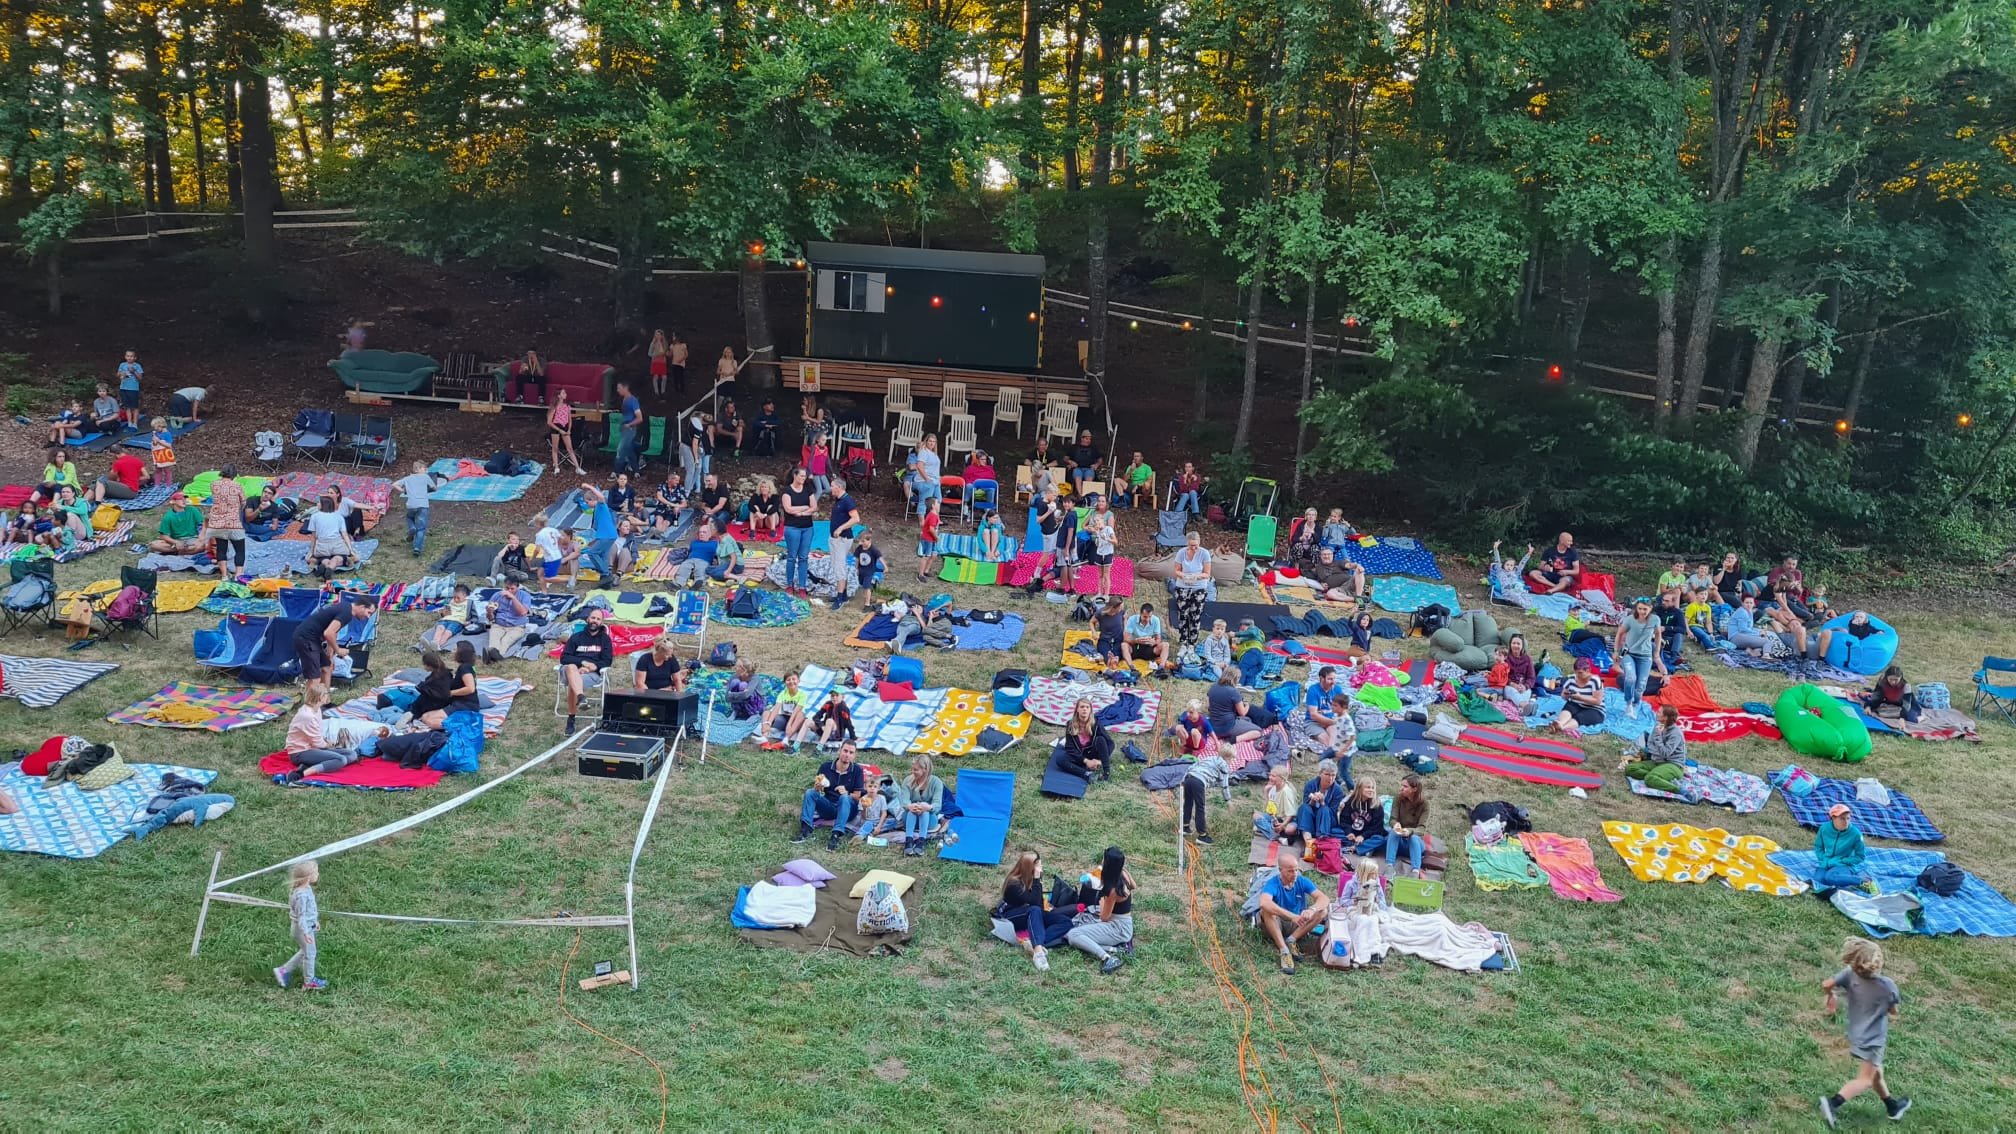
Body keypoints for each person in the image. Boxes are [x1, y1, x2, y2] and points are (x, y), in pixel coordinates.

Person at [1819, 942, 1911, 1127]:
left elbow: (1827, 984)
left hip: (1856, 1032)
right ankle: (1832, 1103)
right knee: (1866, 1080)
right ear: (1878, 964)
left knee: (1876, 1072)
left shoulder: (1849, 974)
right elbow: (1894, 1012)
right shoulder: (1887, 986)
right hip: (1873, 1039)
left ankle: (1893, 1107)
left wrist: (1832, 996)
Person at [1064, 847, 1135, 974]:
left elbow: (1104, 917)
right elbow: (1133, 886)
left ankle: (1107, 957)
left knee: (1073, 935)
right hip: (1124, 922)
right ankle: (1114, 949)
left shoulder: (1112, 890)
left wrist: (1102, 903)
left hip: (1118, 928)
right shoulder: (1122, 874)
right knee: (1083, 924)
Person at [997, 851, 1071, 971]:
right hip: (1010, 915)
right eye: (1039, 865)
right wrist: (1037, 880)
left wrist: (1037, 881)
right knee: (1035, 910)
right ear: (1030, 867)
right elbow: (1035, 904)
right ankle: (1038, 953)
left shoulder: (1030, 878)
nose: (1041, 868)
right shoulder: (1014, 883)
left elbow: (1040, 907)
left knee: (1065, 921)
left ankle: (1035, 943)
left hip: (1030, 912)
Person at [1257, 853, 1329, 975]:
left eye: (1296, 870)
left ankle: (1291, 940)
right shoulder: (1273, 883)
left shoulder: (1301, 881)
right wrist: (1292, 916)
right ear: (1280, 870)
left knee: (1322, 911)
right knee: (1266, 911)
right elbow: (1264, 902)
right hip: (1278, 924)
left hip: (1297, 924)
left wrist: (1311, 909)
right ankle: (1284, 950)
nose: (1295, 874)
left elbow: (1324, 899)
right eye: (1290, 871)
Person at [275, 682, 359, 784]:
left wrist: (328, 744)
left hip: (313, 747)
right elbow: (318, 743)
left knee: (352, 754)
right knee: (341, 760)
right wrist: (329, 745)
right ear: (319, 697)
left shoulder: (316, 709)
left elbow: (317, 734)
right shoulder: (307, 716)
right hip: (300, 752)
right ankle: (301, 773)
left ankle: (314, 763)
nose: (328, 696)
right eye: (326, 694)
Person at [795, 741, 866, 852]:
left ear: (854, 755)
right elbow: (819, 790)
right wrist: (818, 787)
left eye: (851, 752)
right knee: (810, 792)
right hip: (829, 807)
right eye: (845, 751)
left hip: (848, 809)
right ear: (839, 751)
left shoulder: (857, 770)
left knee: (844, 798)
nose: (847, 755)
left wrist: (846, 792)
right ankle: (806, 829)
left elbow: (857, 796)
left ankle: (836, 834)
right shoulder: (826, 767)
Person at [293, 596, 377, 688]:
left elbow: (333, 633)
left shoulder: (346, 609)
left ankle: (325, 700)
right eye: (369, 613)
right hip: (305, 638)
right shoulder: (346, 613)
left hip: (313, 639)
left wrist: (330, 655)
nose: (368, 617)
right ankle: (313, 702)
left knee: (327, 668)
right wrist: (338, 650)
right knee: (314, 677)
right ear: (362, 607)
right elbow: (328, 633)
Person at [272, 860, 327, 990]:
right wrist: (306, 932)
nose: (318, 874)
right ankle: (309, 981)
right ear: (308, 876)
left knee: (306, 951)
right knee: (310, 953)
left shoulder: (305, 888)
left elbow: (309, 911)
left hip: (305, 927)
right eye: (316, 872)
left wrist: (314, 922)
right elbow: (301, 916)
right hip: (302, 929)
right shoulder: (301, 894)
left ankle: (283, 971)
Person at [558, 609, 613, 733]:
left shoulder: (605, 640)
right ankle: (581, 697)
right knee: (571, 668)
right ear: (588, 619)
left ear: (602, 622)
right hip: (570, 670)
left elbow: (607, 661)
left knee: (574, 682)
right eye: (593, 618)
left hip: (591, 674)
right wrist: (583, 663)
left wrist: (592, 667)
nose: (595, 621)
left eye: (598, 619)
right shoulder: (576, 637)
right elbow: (564, 657)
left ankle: (571, 719)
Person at [1613, 597, 1661, 718]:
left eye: (1645, 609)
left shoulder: (1655, 619)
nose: (1642, 612)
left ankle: (1636, 703)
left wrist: (1657, 653)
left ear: (1650, 609)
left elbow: (1658, 635)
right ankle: (1628, 703)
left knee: (1641, 686)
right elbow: (1619, 633)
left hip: (1645, 656)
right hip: (1628, 653)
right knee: (1630, 678)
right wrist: (1616, 651)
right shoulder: (1630, 619)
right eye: (1639, 608)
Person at [892, 755, 946, 856]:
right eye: (912, 769)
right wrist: (910, 806)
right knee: (914, 810)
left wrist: (927, 807)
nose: (913, 771)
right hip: (909, 818)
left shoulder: (936, 782)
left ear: (925, 769)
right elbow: (904, 801)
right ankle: (909, 841)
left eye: (916, 769)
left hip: (929, 820)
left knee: (924, 810)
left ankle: (921, 841)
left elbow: (937, 804)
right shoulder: (908, 780)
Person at [779, 466, 819, 598]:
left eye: (805, 476)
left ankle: (802, 586)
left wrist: (802, 513)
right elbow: (788, 509)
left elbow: (814, 507)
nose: (804, 478)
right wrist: (804, 508)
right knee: (792, 557)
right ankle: (789, 584)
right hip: (792, 528)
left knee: (803, 557)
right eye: (801, 476)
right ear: (795, 476)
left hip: (807, 527)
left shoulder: (808, 490)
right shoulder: (787, 491)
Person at [1181, 742, 1232, 844]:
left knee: (1188, 802)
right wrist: (1228, 800)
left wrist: (1183, 780)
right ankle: (1202, 836)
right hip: (1199, 782)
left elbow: (1193, 766)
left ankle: (1185, 827)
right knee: (1200, 807)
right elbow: (1224, 786)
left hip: (1189, 778)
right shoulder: (1225, 767)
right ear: (1228, 757)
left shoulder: (1210, 758)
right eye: (1231, 759)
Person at [1169, 531, 1214, 645]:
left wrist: (1196, 577)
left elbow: (1207, 573)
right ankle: (1183, 639)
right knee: (1183, 613)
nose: (1194, 548)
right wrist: (1184, 575)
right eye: (1191, 545)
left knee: (1195, 614)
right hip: (1183, 584)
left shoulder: (1204, 553)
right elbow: (1176, 570)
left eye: (1196, 545)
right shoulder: (1181, 553)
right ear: (1187, 544)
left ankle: (1192, 642)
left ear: (1199, 543)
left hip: (1199, 585)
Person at [204, 464, 249, 575]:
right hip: (233, 522)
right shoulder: (237, 486)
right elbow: (244, 502)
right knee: (240, 550)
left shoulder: (214, 485)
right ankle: (238, 575)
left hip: (218, 523)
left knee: (221, 549)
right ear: (234, 474)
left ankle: (224, 575)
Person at [1621, 704, 1689, 777]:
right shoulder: (1659, 725)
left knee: (1651, 775)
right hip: (1657, 759)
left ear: (1665, 717)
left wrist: (1657, 738)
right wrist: (1653, 751)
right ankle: (1652, 774)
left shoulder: (1675, 733)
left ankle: (1655, 775)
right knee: (1629, 769)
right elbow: (1650, 743)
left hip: (1670, 763)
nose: (1656, 713)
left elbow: (1665, 753)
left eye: (1659, 712)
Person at [1386, 774, 1430, 878]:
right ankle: (1389, 866)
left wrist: (1409, 831)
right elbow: (1392, 819)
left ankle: (1415, 871)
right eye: (1401, 785)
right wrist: (1395, 825)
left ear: (1414, 789)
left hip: (1414, 844)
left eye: (1405, 786)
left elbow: (1422, 829)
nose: (1401, 788)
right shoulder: (1398, 798)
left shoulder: (1424, 804)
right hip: (1399, 840)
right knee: (1393, 832)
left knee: (1414, 838)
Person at [303, 494, 358, 576]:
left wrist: (311, 552)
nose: (317, 504)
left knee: (322, 558)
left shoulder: (314, 516)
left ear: (323, 505)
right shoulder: (339, 516)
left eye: (318, 502)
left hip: (322, 546)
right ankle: (331, 567)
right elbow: (345, 535)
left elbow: (314, 537)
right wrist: (351, 550)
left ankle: (324, 564)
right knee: (340, 557)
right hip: (337, 545)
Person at [1058, 699, 1112, 781]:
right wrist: (1086, 761)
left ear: (1090, 710)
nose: (1084, 709)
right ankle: (1087, 774)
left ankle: (1106, 773)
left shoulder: (1096, 723)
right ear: (1077, 709)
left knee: (1100, 739)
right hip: (1080, 756)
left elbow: (1110, 743)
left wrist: (1100, 761)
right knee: (1060, 759)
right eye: (1082, 707)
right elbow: (1070, 748)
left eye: (1087, 707)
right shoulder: (1070, 725)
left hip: (1093, 754)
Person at [1295, 758, 1348, 841]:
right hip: (1312, 816)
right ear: (1320, 774)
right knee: (1304, 807)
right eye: (1327, 774)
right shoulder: (1310, 785)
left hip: (1327, 820)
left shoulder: (1338, 790)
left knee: (1324, 809)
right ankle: (1308, 842)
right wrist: (1312, 800)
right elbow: (1306, 807)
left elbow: (1333, 812)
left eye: (1333, 775)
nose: (1330, 778)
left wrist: (1322, 802)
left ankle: (1321, 840)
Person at [759, 671, 813, 751]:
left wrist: (789, 724)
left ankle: (785, 740)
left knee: (801, 714)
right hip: (783, 719)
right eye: (788, 680)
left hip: (795, 722)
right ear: (785, 683)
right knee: (766, 712)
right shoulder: (782, 693)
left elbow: (796, 712)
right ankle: (764, 739)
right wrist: (768, 723)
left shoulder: (802, 695)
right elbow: (776, 708)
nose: (791, 681)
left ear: (798, 681)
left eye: (793, 679)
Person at [1337, 776, 1386, 863]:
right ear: (1360, 788)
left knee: (1380, 839)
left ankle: (1354, 849)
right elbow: (1344, 820)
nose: (1371, 790)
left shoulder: (1377, 806)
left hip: (1367, 837)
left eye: (1372, 788)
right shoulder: (1351, 802)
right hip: (1352, 835)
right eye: (1368, 787)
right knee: (1334, 831)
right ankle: (1365, 849)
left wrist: (1363, 836)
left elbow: (1377, 827)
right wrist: (1349, 832)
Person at [577, 484, 619, 583]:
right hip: (606, 535)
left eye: (587, 502)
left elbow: (601, 497)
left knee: (592, 553)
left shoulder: (601, 505)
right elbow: (598, 528)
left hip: (607, 535)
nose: (587, 504)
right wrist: (594, 540)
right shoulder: (596, 510)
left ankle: (606, 574)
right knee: (603, 555)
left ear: (592, 499)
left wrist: (588, 486)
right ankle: (605, 579)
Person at [1553, 658, 1606, 735]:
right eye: (1577, 673)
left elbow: (1597, 701)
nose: (1578, 675)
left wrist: (1580, 697)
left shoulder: (1595, 681)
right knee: (1569, 707)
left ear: (1587, 671)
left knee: (1581, 717)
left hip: (1594, 708)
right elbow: (1563, 695)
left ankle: (1563, 727)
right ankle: (1559, 722)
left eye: (1580, 673)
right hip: (1576, 703)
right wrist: (1566, 695)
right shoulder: (1571, 679)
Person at [149, 490, 208, 555]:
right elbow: (164, 536)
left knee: (203, 545)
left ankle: (179, 552)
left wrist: (201, 537)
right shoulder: (168, 516)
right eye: (180, 499)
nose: (184, 500)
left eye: (185, 498)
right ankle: (186, 551)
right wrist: (175, 542)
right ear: (173, 502)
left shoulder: (193, 510)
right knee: (154, 545)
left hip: (193, 539)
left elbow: (203, 525)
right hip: (177, 540)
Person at [543, 388, 586, 476]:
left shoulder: (567, 406)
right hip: (556, 427)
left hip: (565, 426)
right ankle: (556, 467)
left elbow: (569, 419)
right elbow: (549, 422)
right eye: (563, 393)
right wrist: (559, 430)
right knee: (555, 448)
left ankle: (577, 467)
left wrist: (569, 429)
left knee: (570, 448)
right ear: (559, 396)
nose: (565, 394)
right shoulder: (554, 407)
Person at [837, 531, 884, 611]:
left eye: (863, 541)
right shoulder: (859, 548)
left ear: (869, 541)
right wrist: (857, 568)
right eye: (860, 541)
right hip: (861, 571)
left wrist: (885, 567)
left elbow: (880, 558)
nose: (861, 543)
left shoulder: (873, 550)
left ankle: (867, 604)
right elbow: (857, 558)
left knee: (866, 586)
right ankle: (868, 596)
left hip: (869, 571)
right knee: (862, 584)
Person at [671, 522, 725, 588]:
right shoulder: (694, 542)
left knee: (701, 570)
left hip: (703, 560)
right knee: (684, 568)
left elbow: (720, 555)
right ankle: (678, 584)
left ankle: (698, 584)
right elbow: (689, 551)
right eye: (700, 532)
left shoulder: (715, 543)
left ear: (710, 534)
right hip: (690, 560)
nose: (701, 534)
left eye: (704, 532)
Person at [487, 578, 532, 656]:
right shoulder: (497, 595)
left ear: (518, 588)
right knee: (494, 641)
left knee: (505, 641)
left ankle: (495, 657)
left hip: (517, 626)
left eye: (512, 589)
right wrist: (489, 612)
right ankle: (494, 655)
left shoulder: (525, 596)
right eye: (507, 588)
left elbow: (523, 612)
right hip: (498, 624)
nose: (509, 591)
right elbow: (490, 618)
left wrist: (513, 598)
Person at [532, 513, 579, 588]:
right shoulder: (556, 542)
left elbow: (577, 553)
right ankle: (549, 578)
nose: (561, 537)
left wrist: (565, 559)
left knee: (574, 558)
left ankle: (572, 578)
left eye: (563, 535)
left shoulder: (574, 543)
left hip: (568, 566)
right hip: (558, 566)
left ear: (569, 536)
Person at [1083, 495, 1116, 595]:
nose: (1100, 503)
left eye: (1103, 501)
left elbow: (1111, 532)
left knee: (1105, 573)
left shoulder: (1109, 515)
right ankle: (1099, 592)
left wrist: (1100, 529)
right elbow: (1083, 525)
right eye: (1099, 501)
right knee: (1097, 569)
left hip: (1104, 543)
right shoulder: (1093, 513)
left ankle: (1106, 593)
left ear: (1106, 503)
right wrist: (1090, 529)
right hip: (1093, 540)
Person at [1254, 766, 1297, 841]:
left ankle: (1269, 830)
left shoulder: (1286, 791)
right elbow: (1268, 809)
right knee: (1256, 816)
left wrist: (1282, 825)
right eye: (1270, 775)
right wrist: (1266, 792)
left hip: (1287, 820)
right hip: (1275, 818)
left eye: (1273, 776)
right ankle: (1276, 836)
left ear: (1282, 778)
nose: (1270, 777)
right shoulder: (1272, 788)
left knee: (1289, 830)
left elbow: (1291, 814)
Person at [906, 433, 942, 518]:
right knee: (924, 500)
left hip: (935, 480)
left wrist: (938, 479)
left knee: (938, 500)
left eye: (934, 441)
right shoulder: (923, 452)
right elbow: (919, 466)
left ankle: (936, 520)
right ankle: (922, 522)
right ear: (926, 441)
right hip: (926, 480)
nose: (932, 443)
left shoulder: (934, 454)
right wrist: (926, 478)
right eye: (930, 441)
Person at [1123, 601, 1168, 668]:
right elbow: (1125, 638)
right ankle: (1131, 667)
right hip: (1135, 647)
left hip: (1149, 648)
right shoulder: (1132, 619)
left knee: (1166, 645)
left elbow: (1158, 639)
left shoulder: (1156, 620)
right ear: (1140, 614)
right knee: (1124, 645)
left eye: (1149, 617)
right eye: (1145, 617)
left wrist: (1154, 642)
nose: (1147, 619)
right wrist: (1135, 640)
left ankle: (1161, 668)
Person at [615, 380, 644, 474]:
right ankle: (636, 471)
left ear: (625, 388)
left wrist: (629, 424)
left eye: (619, 388)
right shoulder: (624, 399)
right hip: (624, 429)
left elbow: (639, 418)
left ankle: (616, 472)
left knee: (620, 449)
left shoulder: (633, 400)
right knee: (629, 449)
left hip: (630, 429)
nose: (618, 390)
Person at [828, 476, 862, 541]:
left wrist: (840, 529)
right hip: (835, 537)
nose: (830, 488)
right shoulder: (838, 499)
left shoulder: (847, 501)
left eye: (832, 486)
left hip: (842, 538)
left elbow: (856, 519)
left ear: (839, 487)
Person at [116, 349, 143, 428]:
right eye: (128, 356)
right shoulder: (122, 365)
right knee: (127, 407)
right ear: (125, 357)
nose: (129, 358)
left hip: (133, 389)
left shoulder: (137, 366)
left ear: (135, 358)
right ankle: (129, 423)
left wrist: (134, 371)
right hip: (124, 388)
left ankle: (135, 423)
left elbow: (140, 378)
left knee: (135, 407)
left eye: (131, 356)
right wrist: (122, 374)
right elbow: (118, 375)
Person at [147, 418, 177, 487]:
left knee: (167, 470)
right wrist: (154, 441)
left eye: (156, 428)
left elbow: (169, 445)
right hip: (157, 454)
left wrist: (159, 441)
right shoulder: (156, 433)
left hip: (165, 454)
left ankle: (169, 485)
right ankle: (157, 484)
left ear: (160, 425)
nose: (155, 429)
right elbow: (155, 444)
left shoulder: (167, 434)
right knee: (158, 469)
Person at [647, 329, 669, 395]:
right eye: (656, 334)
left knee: (664, 377)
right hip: (655, 362)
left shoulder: (665, 343)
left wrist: (666, 354)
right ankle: (656, 392)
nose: (657, 336)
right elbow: (649, 353)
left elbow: (666, 352)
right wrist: (656, 355)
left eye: (659, 334)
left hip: (662, 362)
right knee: (655, 377)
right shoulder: (653, 343)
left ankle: (663, 391)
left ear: (662, 335)